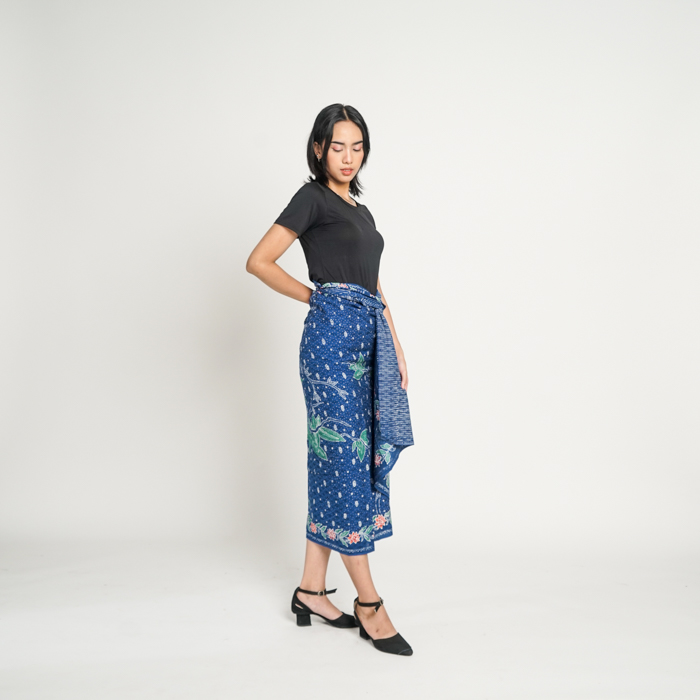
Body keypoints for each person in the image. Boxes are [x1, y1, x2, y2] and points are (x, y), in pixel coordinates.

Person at [245, 103, 415, 656]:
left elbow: (375, 283)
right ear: (319, 148)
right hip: (330, 345)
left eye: (357, 147)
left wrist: (395, 343)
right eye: (338, 146)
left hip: (369, 340)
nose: (348, 157)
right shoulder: (311, 198)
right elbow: (260, 260)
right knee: (342, 463)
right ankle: (370, 602)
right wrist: (316, 297)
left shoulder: (361, 212)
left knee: (341, 462)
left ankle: (311, 590)